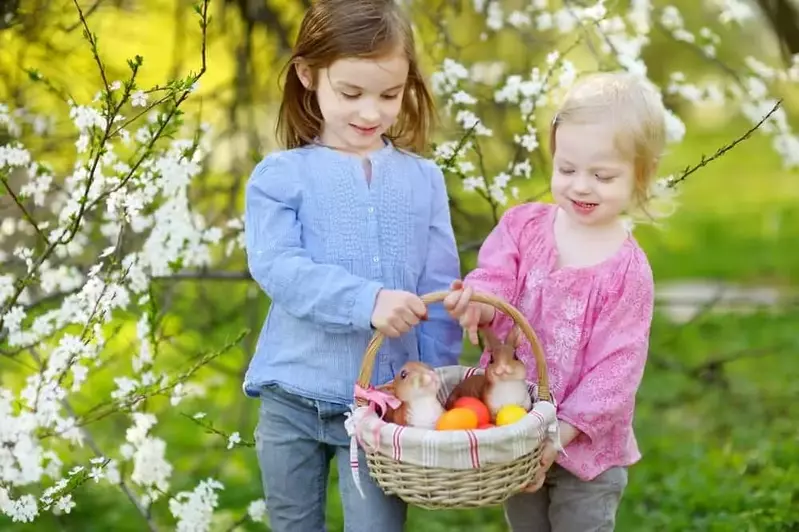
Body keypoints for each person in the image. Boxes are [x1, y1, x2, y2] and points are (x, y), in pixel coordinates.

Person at [241, 1, 462, 531]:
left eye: (389, 95)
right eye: (350, 93)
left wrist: (436, 382)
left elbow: (436, 287)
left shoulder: (422, 179)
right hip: (289, 400)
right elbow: (279, 267)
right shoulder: (280, 176)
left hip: (381, 411)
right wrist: (367, 302)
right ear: (307, 74)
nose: (371, 112)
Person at [443, 71, 667, 531]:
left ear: (640, 176)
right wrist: (481, 302)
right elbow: (496, 277)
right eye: (566, 169)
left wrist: (559, 433)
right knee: (526, 524)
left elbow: (617, 368)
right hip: (518, 425)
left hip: (585, 448)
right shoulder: (524, 227)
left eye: (602, 176)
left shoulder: (628, 272)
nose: (581, 186)